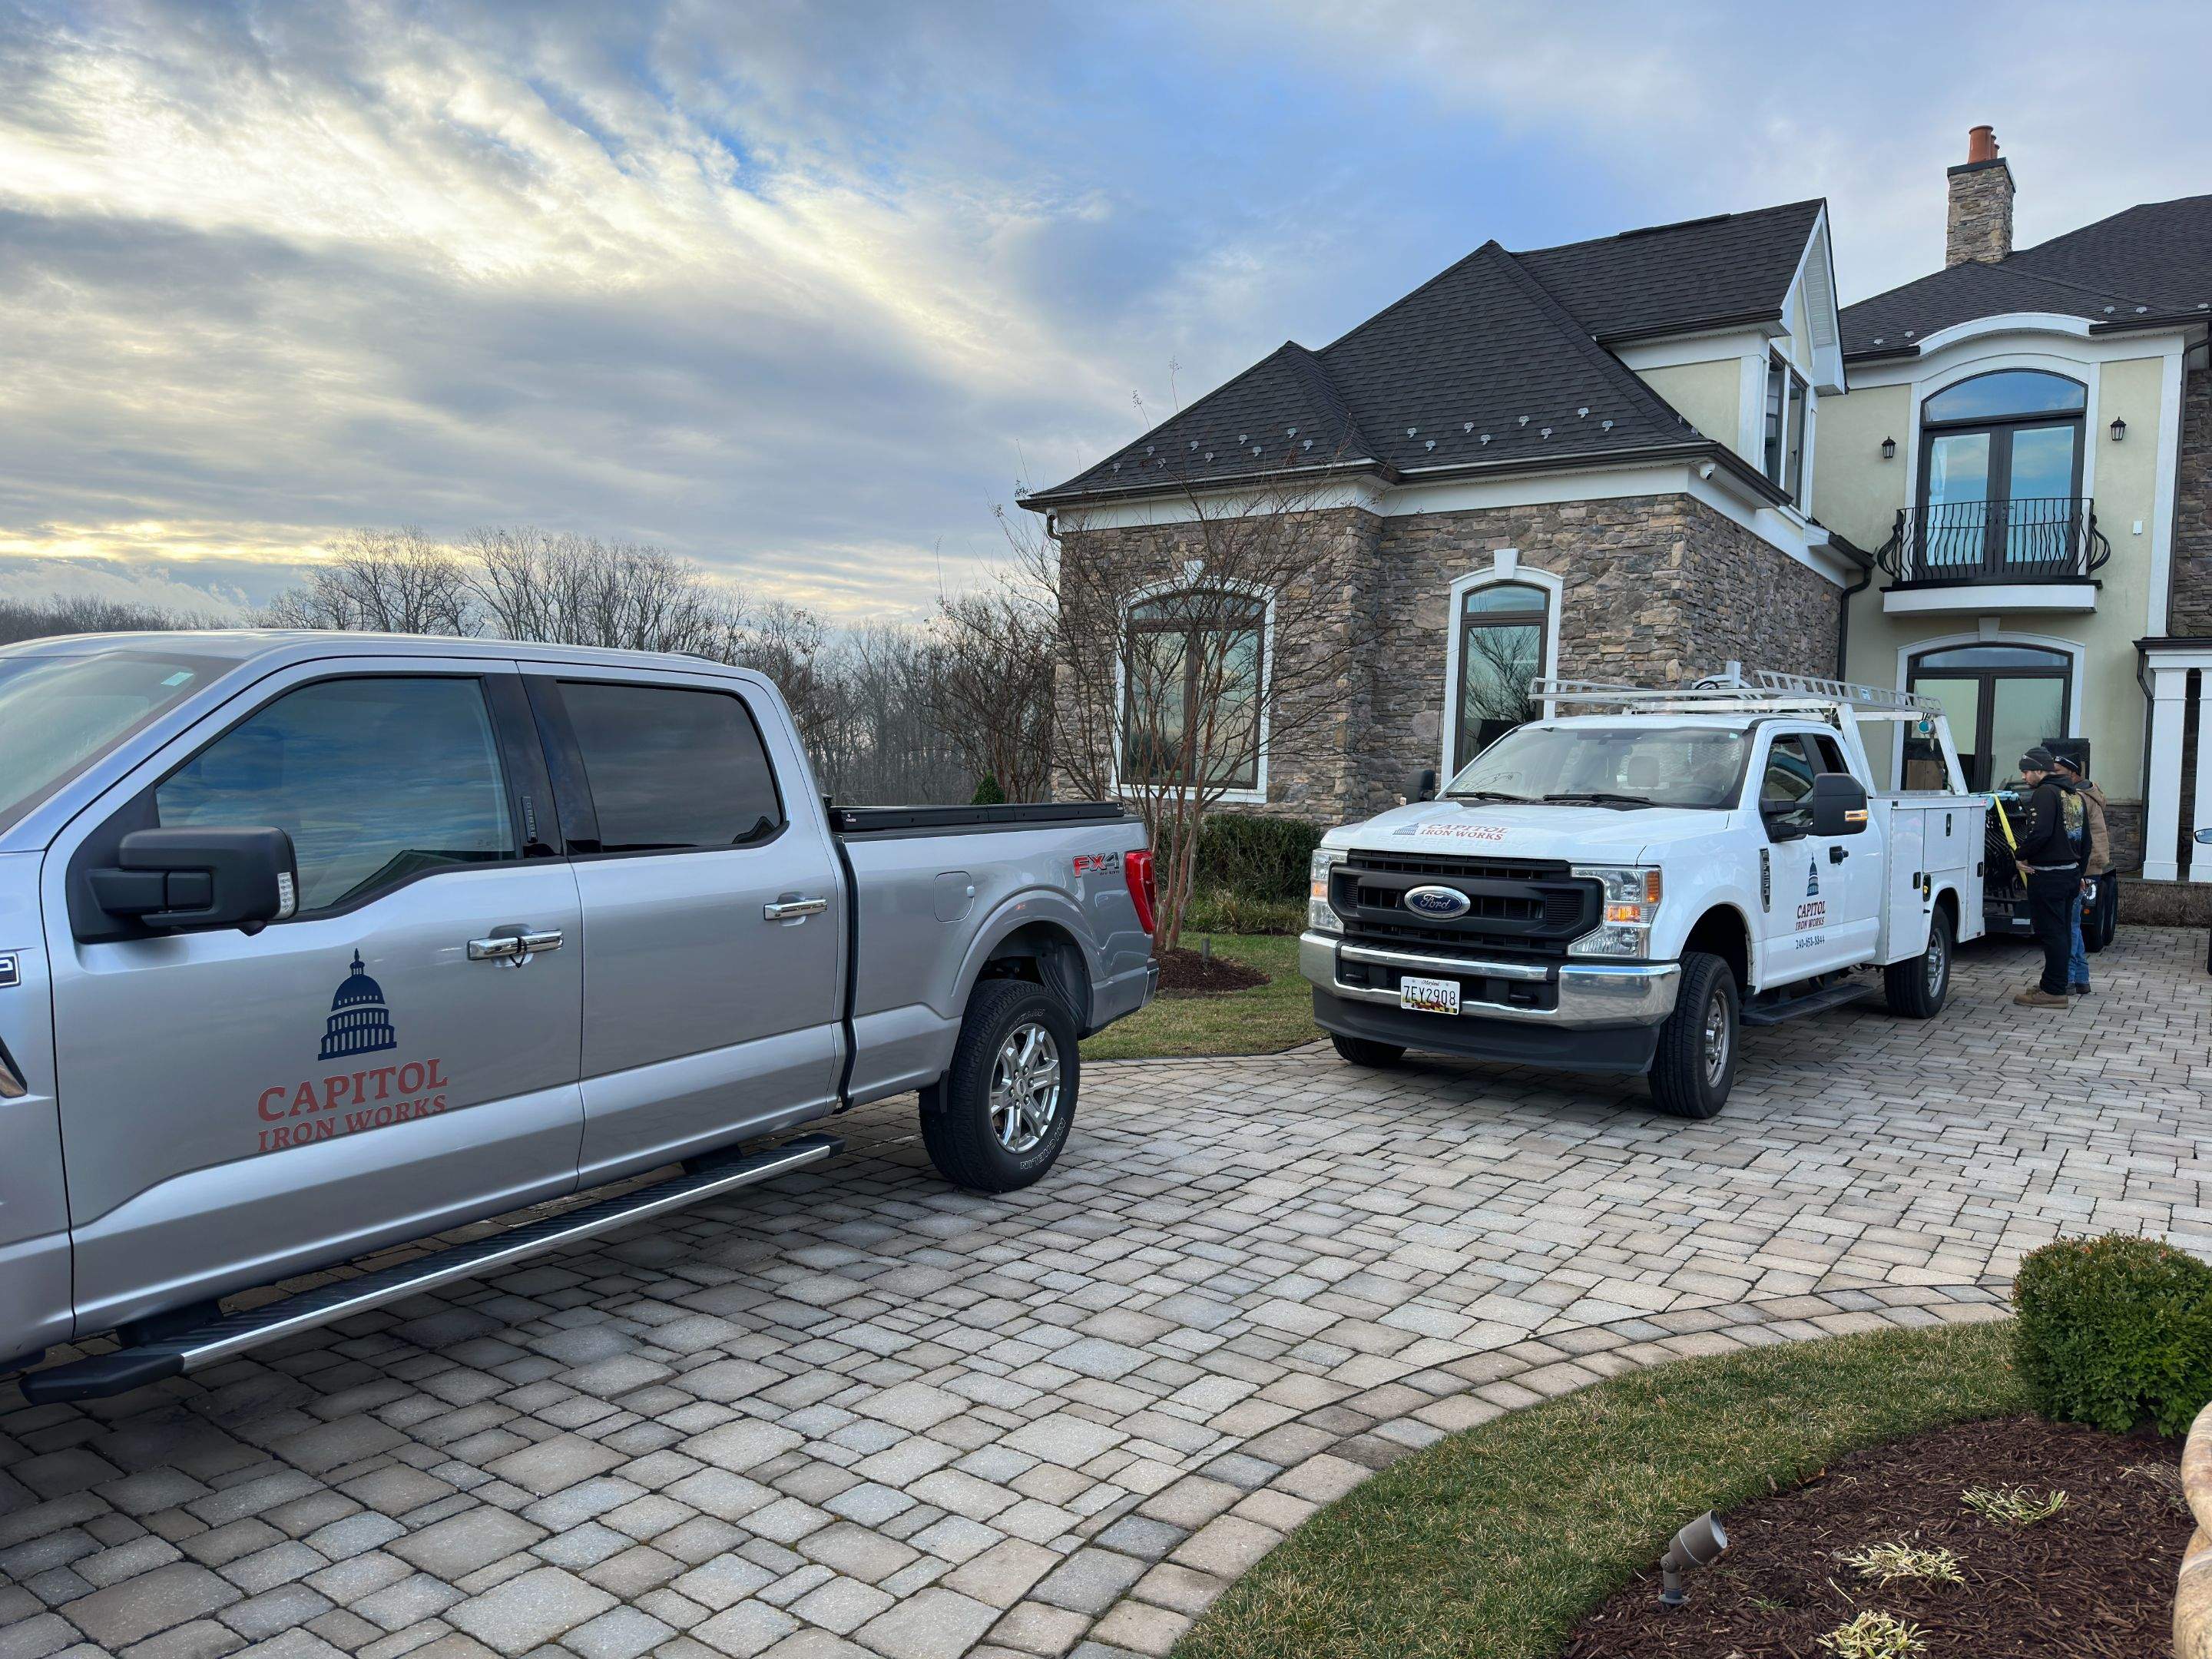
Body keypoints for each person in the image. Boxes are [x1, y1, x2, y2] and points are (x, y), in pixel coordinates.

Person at [2011, 747, 2083, 1008]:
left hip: (2049, 876)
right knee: (2062, 932)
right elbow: (2084, 840)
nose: (2024, 775)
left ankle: (2053, 992)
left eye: (2027, 770)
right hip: (2070, 874)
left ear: (2040, 771)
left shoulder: (2045, 793)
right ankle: (2053, 982)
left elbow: (2040, 833)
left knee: (2052, 934)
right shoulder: (2073, 795)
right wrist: (2080, 872)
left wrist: (2020, 854)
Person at [2051, 751, 2110, 995]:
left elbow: (2072, 836)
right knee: (2073, 923)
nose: (2054, 777)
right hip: (2091, 865)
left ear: (2074, 775)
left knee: (2071, 924)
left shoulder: (2080, 798)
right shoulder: (2087, 793)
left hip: (2082, 867)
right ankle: (2081, 979)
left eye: (2058, 773)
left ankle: (2066, 978)